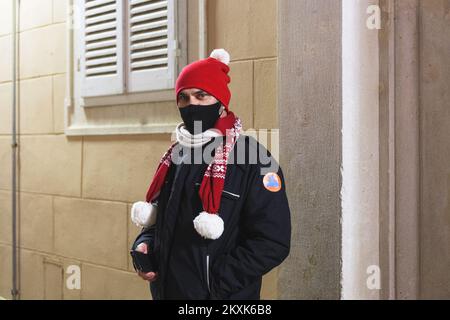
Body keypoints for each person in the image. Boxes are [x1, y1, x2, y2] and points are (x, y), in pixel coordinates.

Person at [130, 49, 291, 300]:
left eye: (201, 96)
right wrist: (145, 246)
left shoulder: (254, 159)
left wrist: (213, 283)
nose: (191, 104)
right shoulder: (178, 153)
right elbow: (161, 218)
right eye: (183, 98)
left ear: (220, 102)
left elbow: (272, 242)